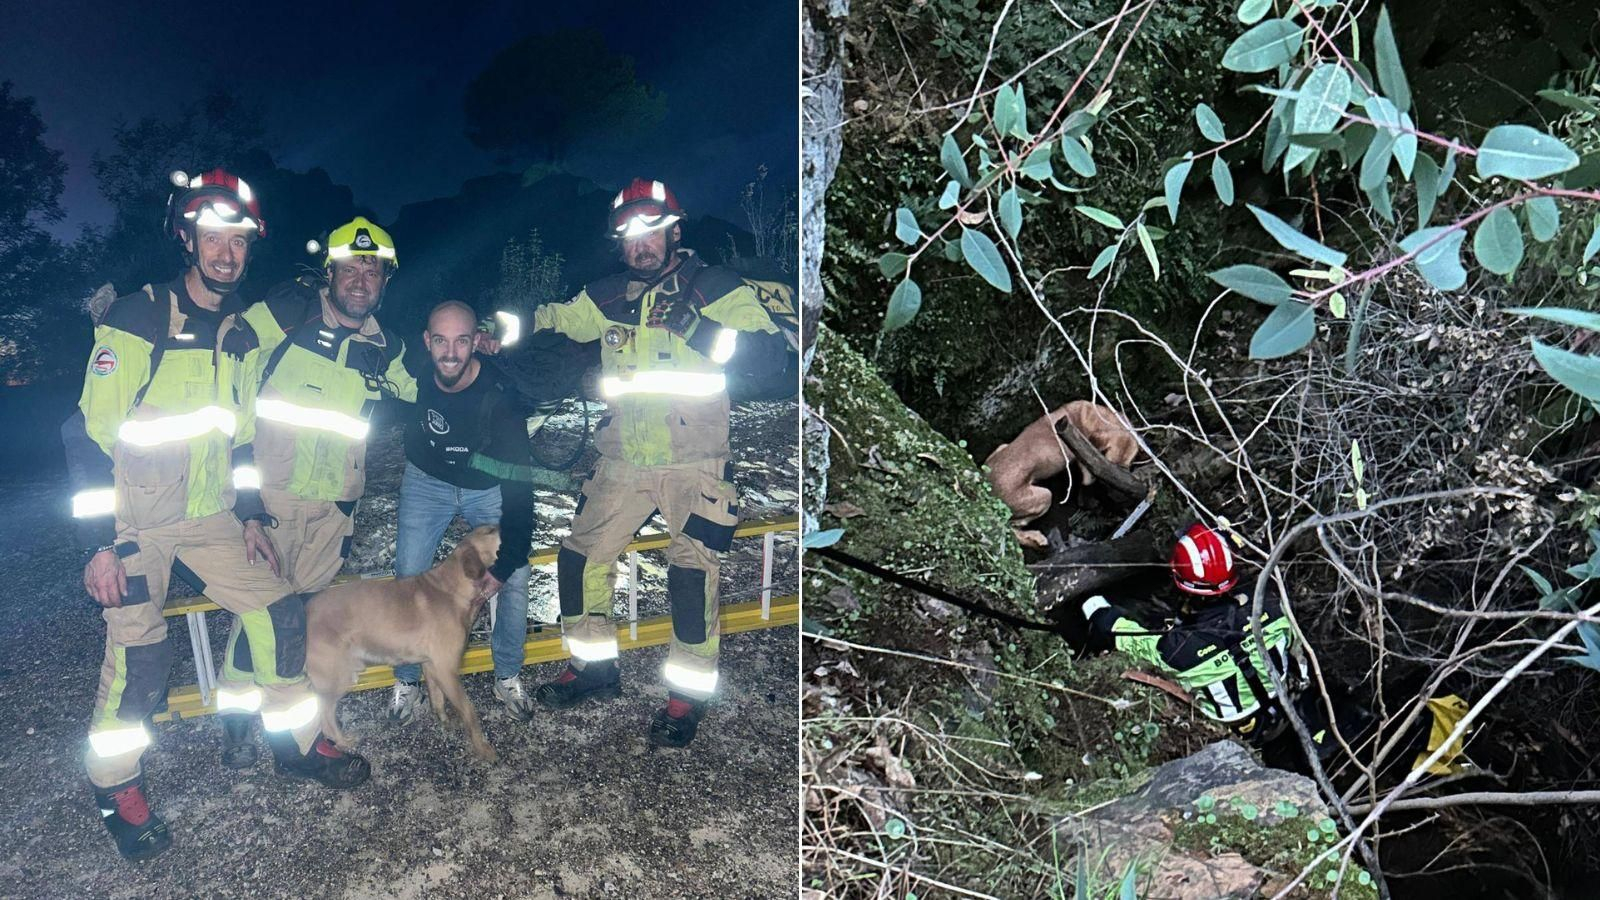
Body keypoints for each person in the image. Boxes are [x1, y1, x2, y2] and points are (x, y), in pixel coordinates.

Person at [60, 169, 368, 862]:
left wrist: (254, 514)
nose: (226, 253)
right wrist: (99, 544)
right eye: (213, 238)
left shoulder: (236, 332)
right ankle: (117, 787)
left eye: (239, 240)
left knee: (282, 613)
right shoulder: (137, 319)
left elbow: (241, 438)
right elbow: (81, 435)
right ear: (185, 238)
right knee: (141, 662)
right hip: (135, 525)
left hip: (212, 514)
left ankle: (292, 743)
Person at [528, 177, 783, 747]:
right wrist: (502, 329)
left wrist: (696, 325)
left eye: (650, 229)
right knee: (581, 557)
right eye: (627, 235)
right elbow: (559, 319)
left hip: (694, 461)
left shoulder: (712, 286)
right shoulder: (608, 295)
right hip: (621, 457)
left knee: (691, 576)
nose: (639, 244)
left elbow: (770, 355)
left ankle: (685, 697)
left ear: (673, 230)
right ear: (619, 243)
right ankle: (594, 668)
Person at [213, 216, 418, 768]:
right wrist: (245, 501)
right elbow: (225, 369)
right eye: (349, 267)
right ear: (329, 273)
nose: (359, 278)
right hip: (272, 509)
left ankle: (279, 717)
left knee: (297, 618)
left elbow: (430, 386)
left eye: (371, 269)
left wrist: (479, 355)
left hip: (333, 513)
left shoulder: (387, 346)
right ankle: (242, 720)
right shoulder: (285, 316)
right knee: (263, 614)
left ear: (385, 280)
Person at [387, 300, 537, 723]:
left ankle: (506, 673)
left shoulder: (500, 397)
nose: (450, 353)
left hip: (485, 488)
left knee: (516, 577)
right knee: (408, 575)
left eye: (461, 340)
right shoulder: (413, 370)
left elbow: (520, 488)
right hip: (426, 481)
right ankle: (407, 679)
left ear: (476, 342)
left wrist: (504, 565)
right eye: (440, 340)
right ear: (426, 342)